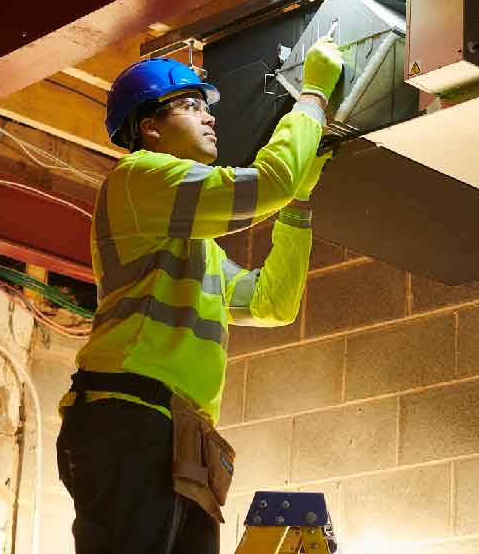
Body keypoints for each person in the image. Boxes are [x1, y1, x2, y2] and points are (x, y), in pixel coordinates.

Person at [56, 37, 345, 553]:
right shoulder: (136, 178)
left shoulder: (197, 250)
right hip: (129, 417)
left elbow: (270, 304)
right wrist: (313, 97)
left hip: (176, 434)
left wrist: (299, 203)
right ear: (149, 126)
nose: (210, 117)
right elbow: (266, 185)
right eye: (192, 106)